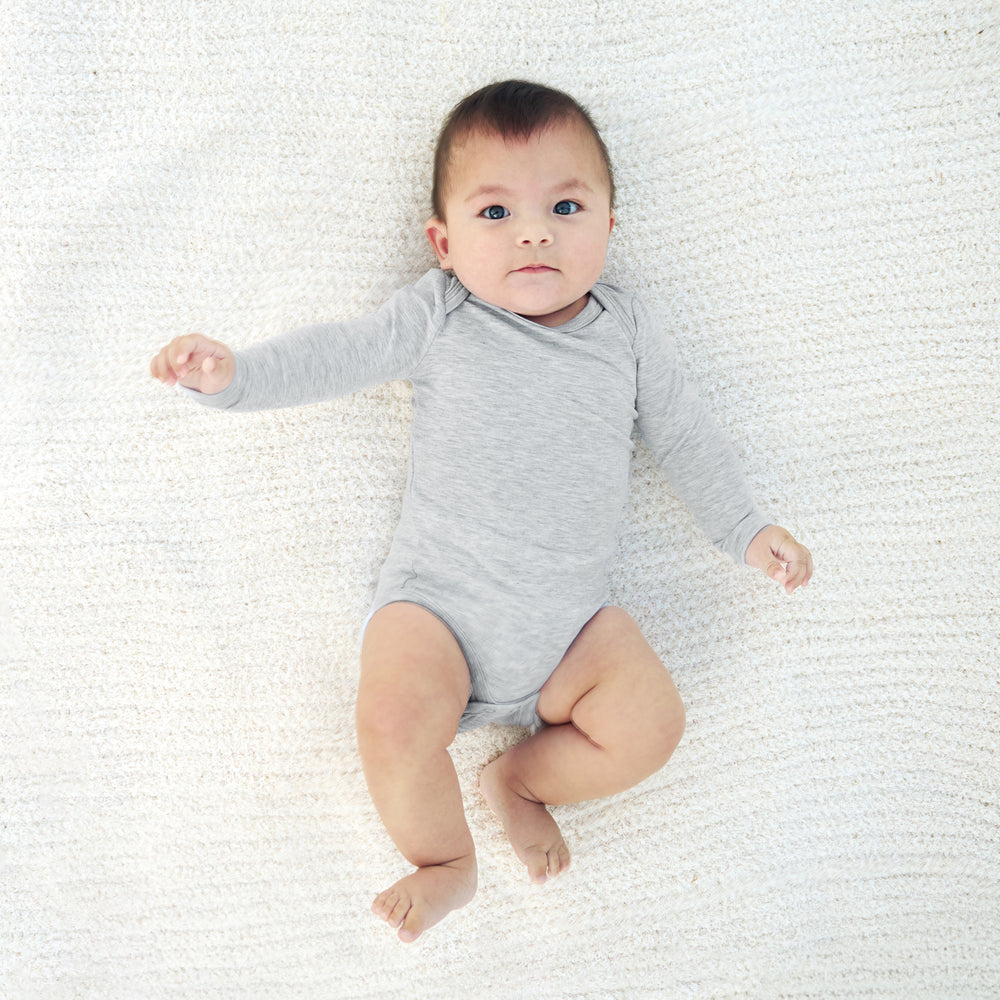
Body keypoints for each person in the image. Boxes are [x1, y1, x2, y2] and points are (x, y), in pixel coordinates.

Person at [150, 80, 813, 943]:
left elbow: (686, 436)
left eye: (565, 205)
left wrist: (745, 529)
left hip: (574, 630)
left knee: (653, 725)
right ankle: (446, 860)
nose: (535, 232)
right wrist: (234, 377)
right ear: (444, 242)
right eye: (495, 213)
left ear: (610, 226)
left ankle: (523, 780)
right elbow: (341, 353)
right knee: (391, 718)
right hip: (439, 608)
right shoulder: (442, 313)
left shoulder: (629, 331)